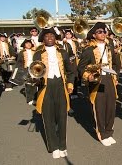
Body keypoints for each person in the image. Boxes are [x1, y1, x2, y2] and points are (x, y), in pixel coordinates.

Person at [33, 26, 74, 159]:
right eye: (46, 36)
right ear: (43, 39)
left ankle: (62, 145)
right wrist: (35, 79)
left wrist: (70, 83)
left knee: (62, 116)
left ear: (55, 38)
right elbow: (34, 71)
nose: (49, 38)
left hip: (60, 85)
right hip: (46, 86)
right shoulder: (38, 53)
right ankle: (53, 146)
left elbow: (70, 70)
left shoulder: (63, 52)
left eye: (52, 36)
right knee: (48, 117)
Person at [78, 22, 118, 146]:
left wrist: (116, 76)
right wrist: (88, 76)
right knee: (100, 108)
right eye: (99, 32)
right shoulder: (88, 49)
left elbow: (116, 64)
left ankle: (109, 132)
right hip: (96, 80)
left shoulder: (110, 46)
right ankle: (102, 133)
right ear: (94, 35)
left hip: (110, 79)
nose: (103, 33)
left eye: (104, 31)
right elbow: (81, 68)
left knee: (111, 107)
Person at [16, 39, 37, 105]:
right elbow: (19, 62)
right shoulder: (22, 52)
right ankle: (29, 99)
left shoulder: (35, 51)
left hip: (34, 68)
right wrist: (21, 70)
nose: (28, 44)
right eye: (27, 43)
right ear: (24, 45)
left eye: (30, 43)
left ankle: (35, 98)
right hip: (26, 69)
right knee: (28, 85)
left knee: (35, 84)